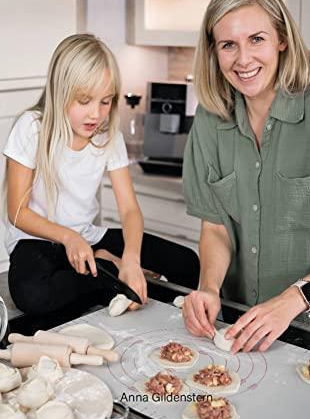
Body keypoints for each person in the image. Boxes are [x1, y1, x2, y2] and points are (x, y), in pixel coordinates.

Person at [182, 0, 310, 352]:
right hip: (236, 315)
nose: (243, 60)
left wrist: (290, 301)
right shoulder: (210, 121)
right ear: (214, 51)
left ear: (281, 39)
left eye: (256, 40)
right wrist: (208, 288)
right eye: (229, 45)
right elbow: (216, 228)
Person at [3, 33, 199, 317]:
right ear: (61, 92)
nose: (96, 114)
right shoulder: (32, 127)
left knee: (187, 264)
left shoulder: (108, 137)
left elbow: (130, 210)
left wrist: (131, 258)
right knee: (34, 296)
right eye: (84, 100)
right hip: (37, 241)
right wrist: (69, 237)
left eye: (105, 102)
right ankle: (107, 273)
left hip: (88, 237)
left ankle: (108, 274)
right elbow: (17, 212)